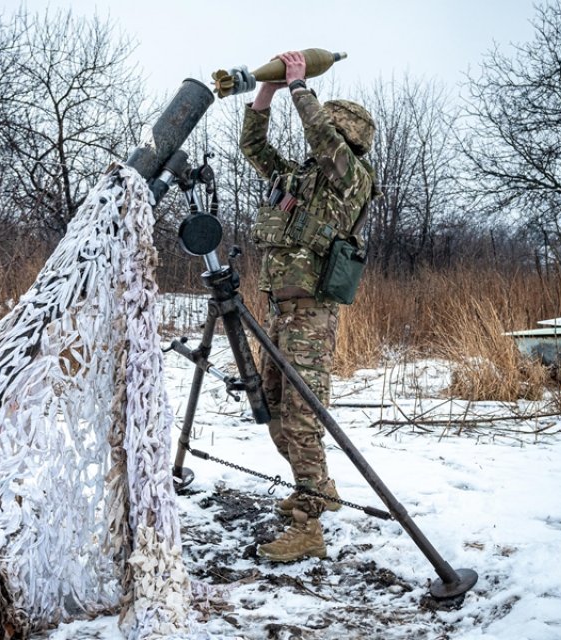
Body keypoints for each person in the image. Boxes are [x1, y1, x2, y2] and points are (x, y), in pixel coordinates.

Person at [239, 51, 377, 563]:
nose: (317, 141)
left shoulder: (352, 179)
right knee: (272, 407)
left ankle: (309, 527)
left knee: (302, 415)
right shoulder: (300, 178)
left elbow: (323, 140)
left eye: (328, 133)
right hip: (279, 309)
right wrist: (267, 93)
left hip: (312, 314)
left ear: (347, 137)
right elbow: (253, 146)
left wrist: (299, 87)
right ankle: (315, 486)